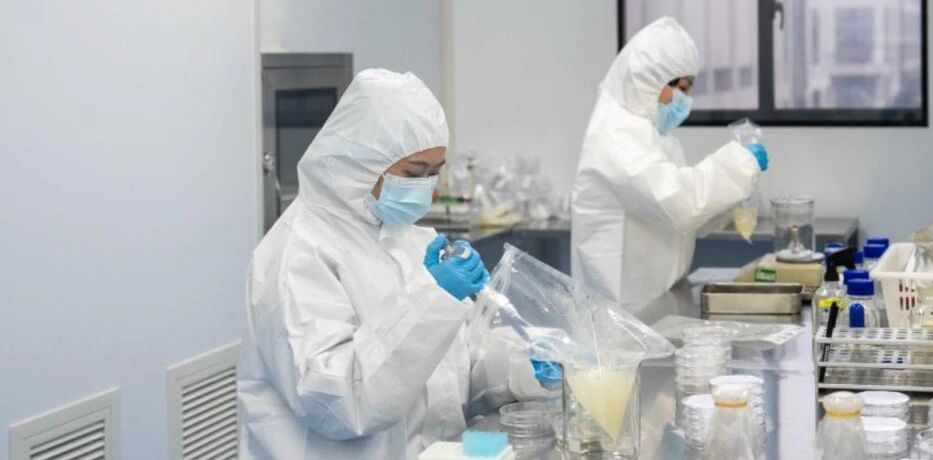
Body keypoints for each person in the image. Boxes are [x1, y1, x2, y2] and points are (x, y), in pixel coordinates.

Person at [238, 69, 544, 459]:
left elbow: (458, 364)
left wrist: (523, 369)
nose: (427, 188)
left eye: (435, 172)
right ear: (359, 164)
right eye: (414, 173)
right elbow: (339, 400)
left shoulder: (412, 239)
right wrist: (432, 300)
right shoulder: (296, 255)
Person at [571, 17, 769, 321]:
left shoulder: (655, 137)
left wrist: (730, 202)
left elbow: (679, 217)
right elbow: (677, 201)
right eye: (682, 88)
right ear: (649, 80)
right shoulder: (617, 136)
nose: (684, 101)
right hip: (621, 310)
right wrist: (739, 165)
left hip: (653, 301)